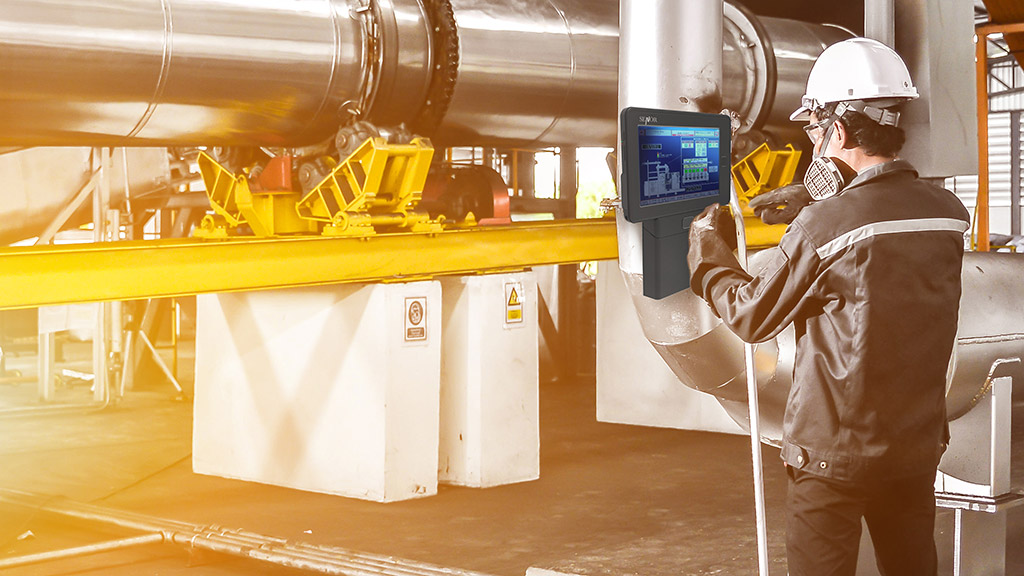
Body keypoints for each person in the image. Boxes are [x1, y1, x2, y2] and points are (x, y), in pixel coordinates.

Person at [687, 38, 970, 576]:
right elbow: (875, 241)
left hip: (833, 456)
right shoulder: (947, 213)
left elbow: (752, 315)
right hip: (914, 446)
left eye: (815, 131)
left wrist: (707, 253)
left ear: (837, 131)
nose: (814, 145)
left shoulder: (825, 227)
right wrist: (816, 199)